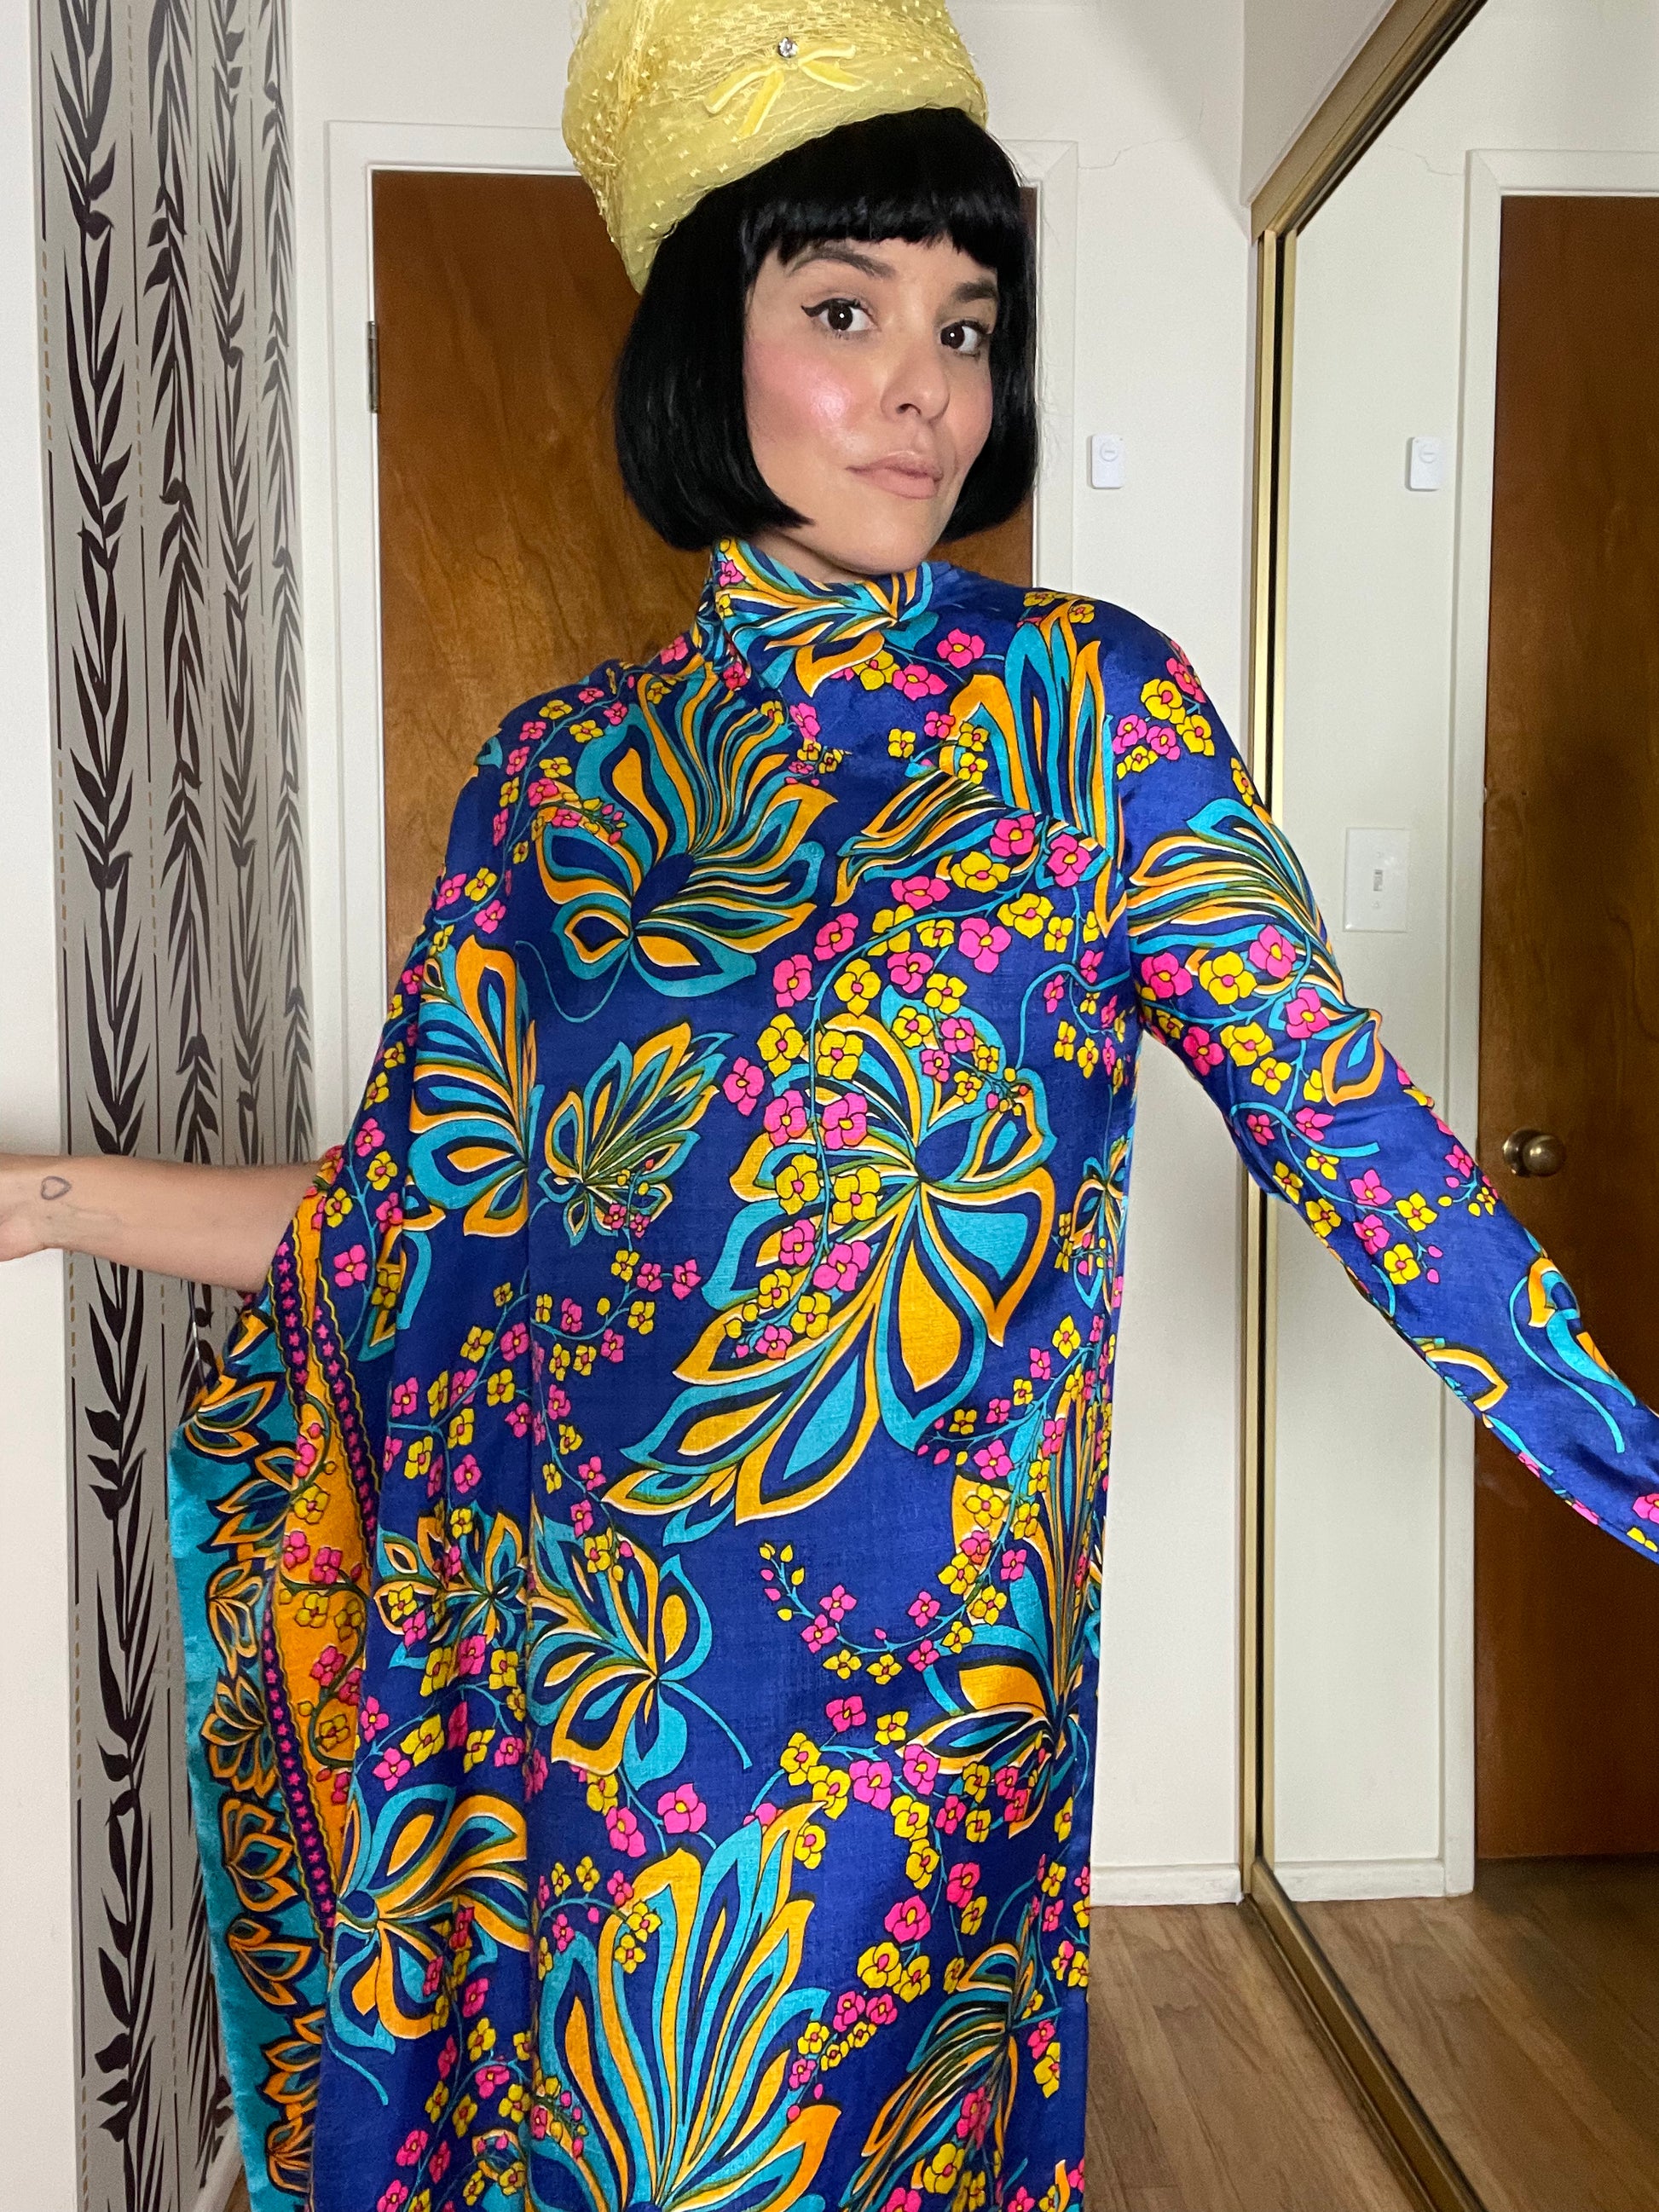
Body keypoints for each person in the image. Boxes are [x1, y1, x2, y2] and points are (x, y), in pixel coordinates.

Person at [8, 1, 1659, 2206]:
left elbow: (1364, 1155)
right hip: (571, 1695)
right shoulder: (552, 779)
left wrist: (1636, 1470)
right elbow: (405, 1220)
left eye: (965, 323)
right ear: (708, 343)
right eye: (846, 309)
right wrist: (54, 1195)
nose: (925, 387)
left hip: (914, 1727)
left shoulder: (1086, 713)